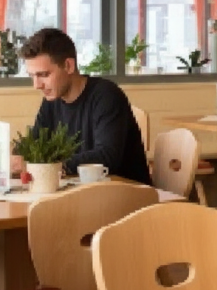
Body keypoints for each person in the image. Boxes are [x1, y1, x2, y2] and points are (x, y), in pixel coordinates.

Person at [20, 28, 151, 185]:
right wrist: (12, 157)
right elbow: (36, 144)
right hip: (83, 194)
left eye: (44, 75)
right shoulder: (51, 100)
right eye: (32, 76)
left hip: (127, 196)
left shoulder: (106, 95)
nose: (37, 85)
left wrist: (51, 165)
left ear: (69, 66)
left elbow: (107, 157)